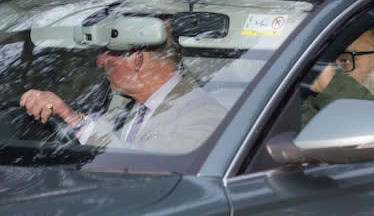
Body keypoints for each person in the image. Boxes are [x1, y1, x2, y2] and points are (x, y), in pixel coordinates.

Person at [19, 24, 227, 153]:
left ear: (138, 60)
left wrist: (71, 117)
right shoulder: (126, 106)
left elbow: (149, 171)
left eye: (109, 52)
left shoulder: (205, 115)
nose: (100, 61)